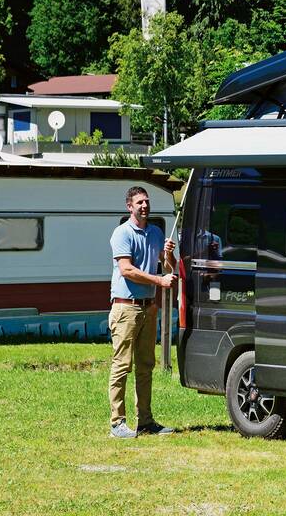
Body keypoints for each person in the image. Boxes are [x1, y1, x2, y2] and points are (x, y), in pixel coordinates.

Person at [108, 185, 177, 439]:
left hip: (149, 308)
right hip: (125, 308)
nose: (145, 206)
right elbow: (126, 270)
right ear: (130, 207)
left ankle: (145, 421)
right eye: (139, 202)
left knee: (145, 366)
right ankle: (117, 423)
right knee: (121, 366)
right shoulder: (122, 233)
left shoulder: (156, 232)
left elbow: (168, 266)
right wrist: (159, 281)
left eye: (147, 201)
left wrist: (168, 255)